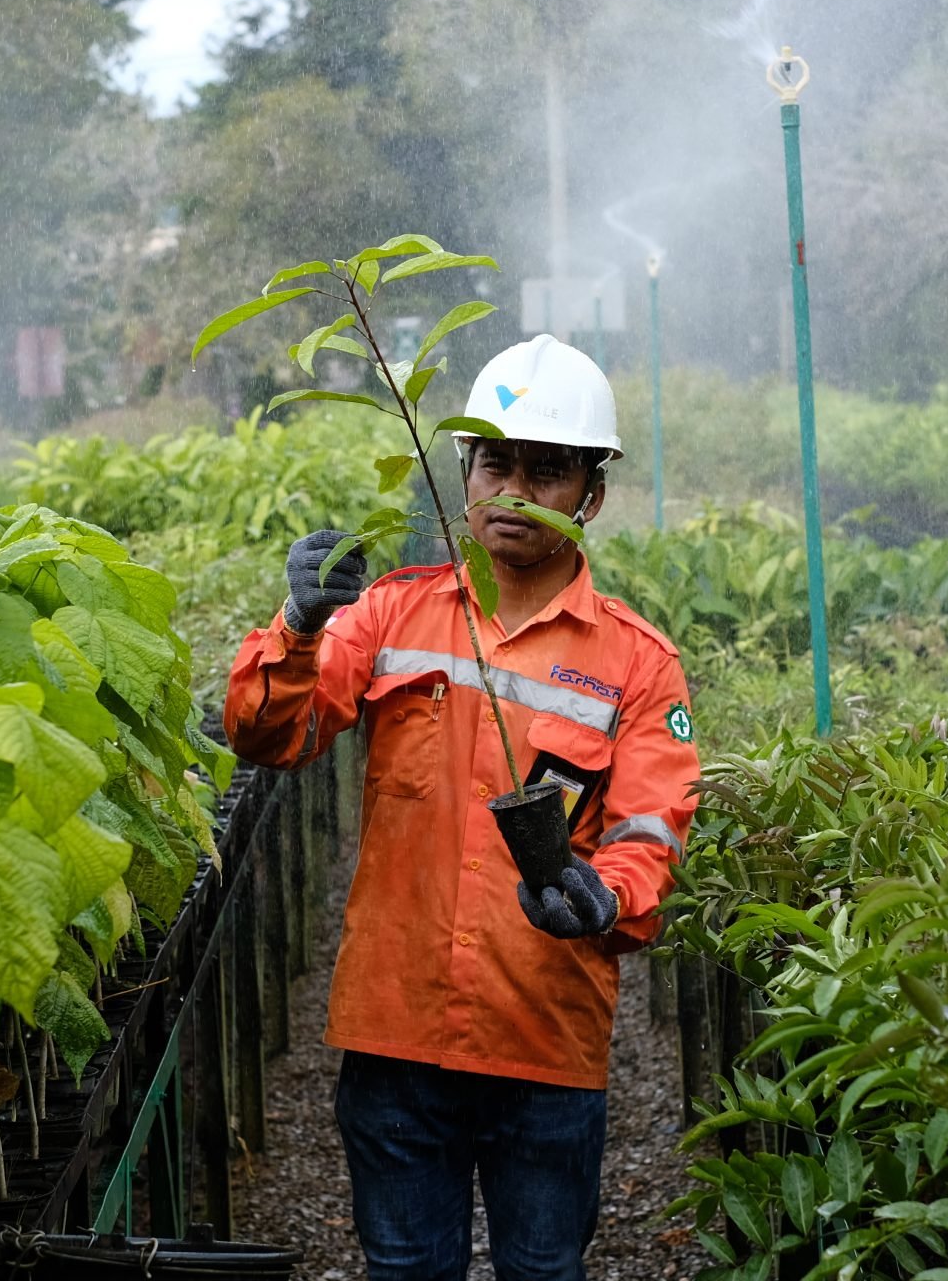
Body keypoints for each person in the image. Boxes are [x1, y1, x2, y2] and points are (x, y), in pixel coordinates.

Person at [224, 333, 699, 1281]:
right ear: (465, 471)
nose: (515, 489)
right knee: (404, 1270)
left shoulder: (640, 665)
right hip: (397, 1030)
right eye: (496, 462)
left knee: (542, 1270)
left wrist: (608, 895)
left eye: (549, 470)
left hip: (545, 1036)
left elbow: (651, 829)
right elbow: (272, 736)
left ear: (591, 496)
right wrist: (301, 626)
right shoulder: (394, 614)